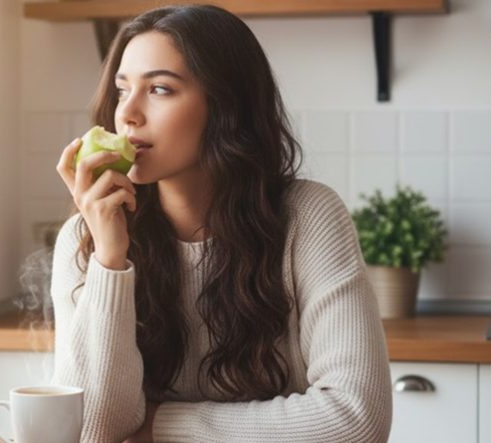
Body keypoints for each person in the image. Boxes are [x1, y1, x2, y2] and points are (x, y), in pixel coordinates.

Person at [52, 5, 392, 442]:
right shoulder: (87, 238)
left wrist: (159, 424)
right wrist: (110, 262)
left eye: (159, 89)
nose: (128, 114)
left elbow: (356, 421)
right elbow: (94, 430)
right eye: (122, 90)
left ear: (225, 105)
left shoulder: (309, 217)